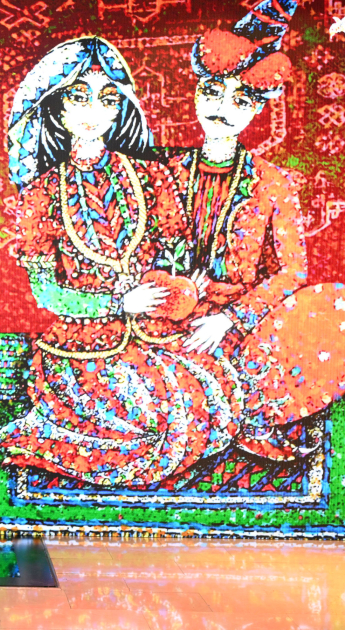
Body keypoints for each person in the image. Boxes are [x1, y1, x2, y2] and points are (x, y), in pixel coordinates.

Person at [0, 36, 245, 487]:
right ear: (55, 108)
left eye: (107, 99)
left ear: (120, 109)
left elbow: (177, 254)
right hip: (84, 346)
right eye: (79, 97)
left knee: (210, 395)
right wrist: (116, 304)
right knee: (149, 418)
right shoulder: (41, 194)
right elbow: (45, 293)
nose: (94, 111)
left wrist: (179, 285)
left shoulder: (149, 174)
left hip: (158, 331)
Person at [167, 0, 345, 459]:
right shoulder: (163, 172)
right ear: (196, 93)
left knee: (335, 308)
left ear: (258, 109)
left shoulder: (272, 183)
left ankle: (240, 410)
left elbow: (292, 272)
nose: (222, 109)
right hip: (167, 318)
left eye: (241, 101)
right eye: (213, 92)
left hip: (243, 326)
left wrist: (231, 318)